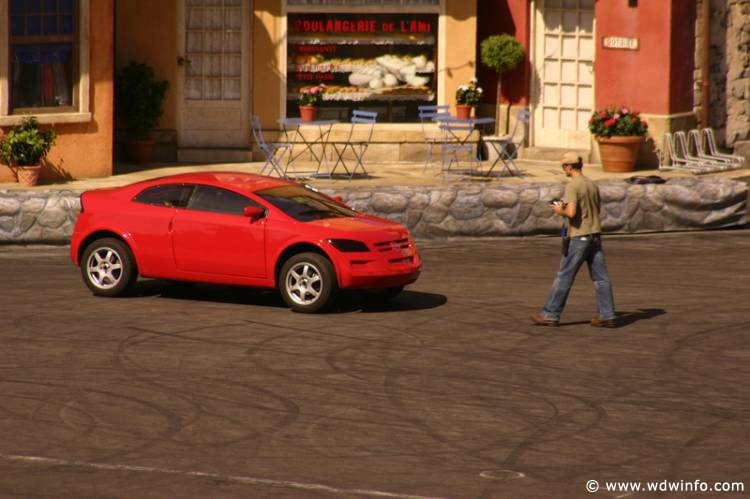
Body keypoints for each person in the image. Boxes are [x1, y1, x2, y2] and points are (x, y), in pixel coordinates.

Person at [531, 152, 616, 328]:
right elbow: (596, 209)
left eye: (564, 167)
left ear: (569, 167)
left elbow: (571, 213)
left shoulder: (573, 186)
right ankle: (607, 314)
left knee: (564, 276)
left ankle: (550, 313)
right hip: (595, 235)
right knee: (601, 278)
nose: (564, 170)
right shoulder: (592, 184)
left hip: (579, 237)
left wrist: (558, 210)